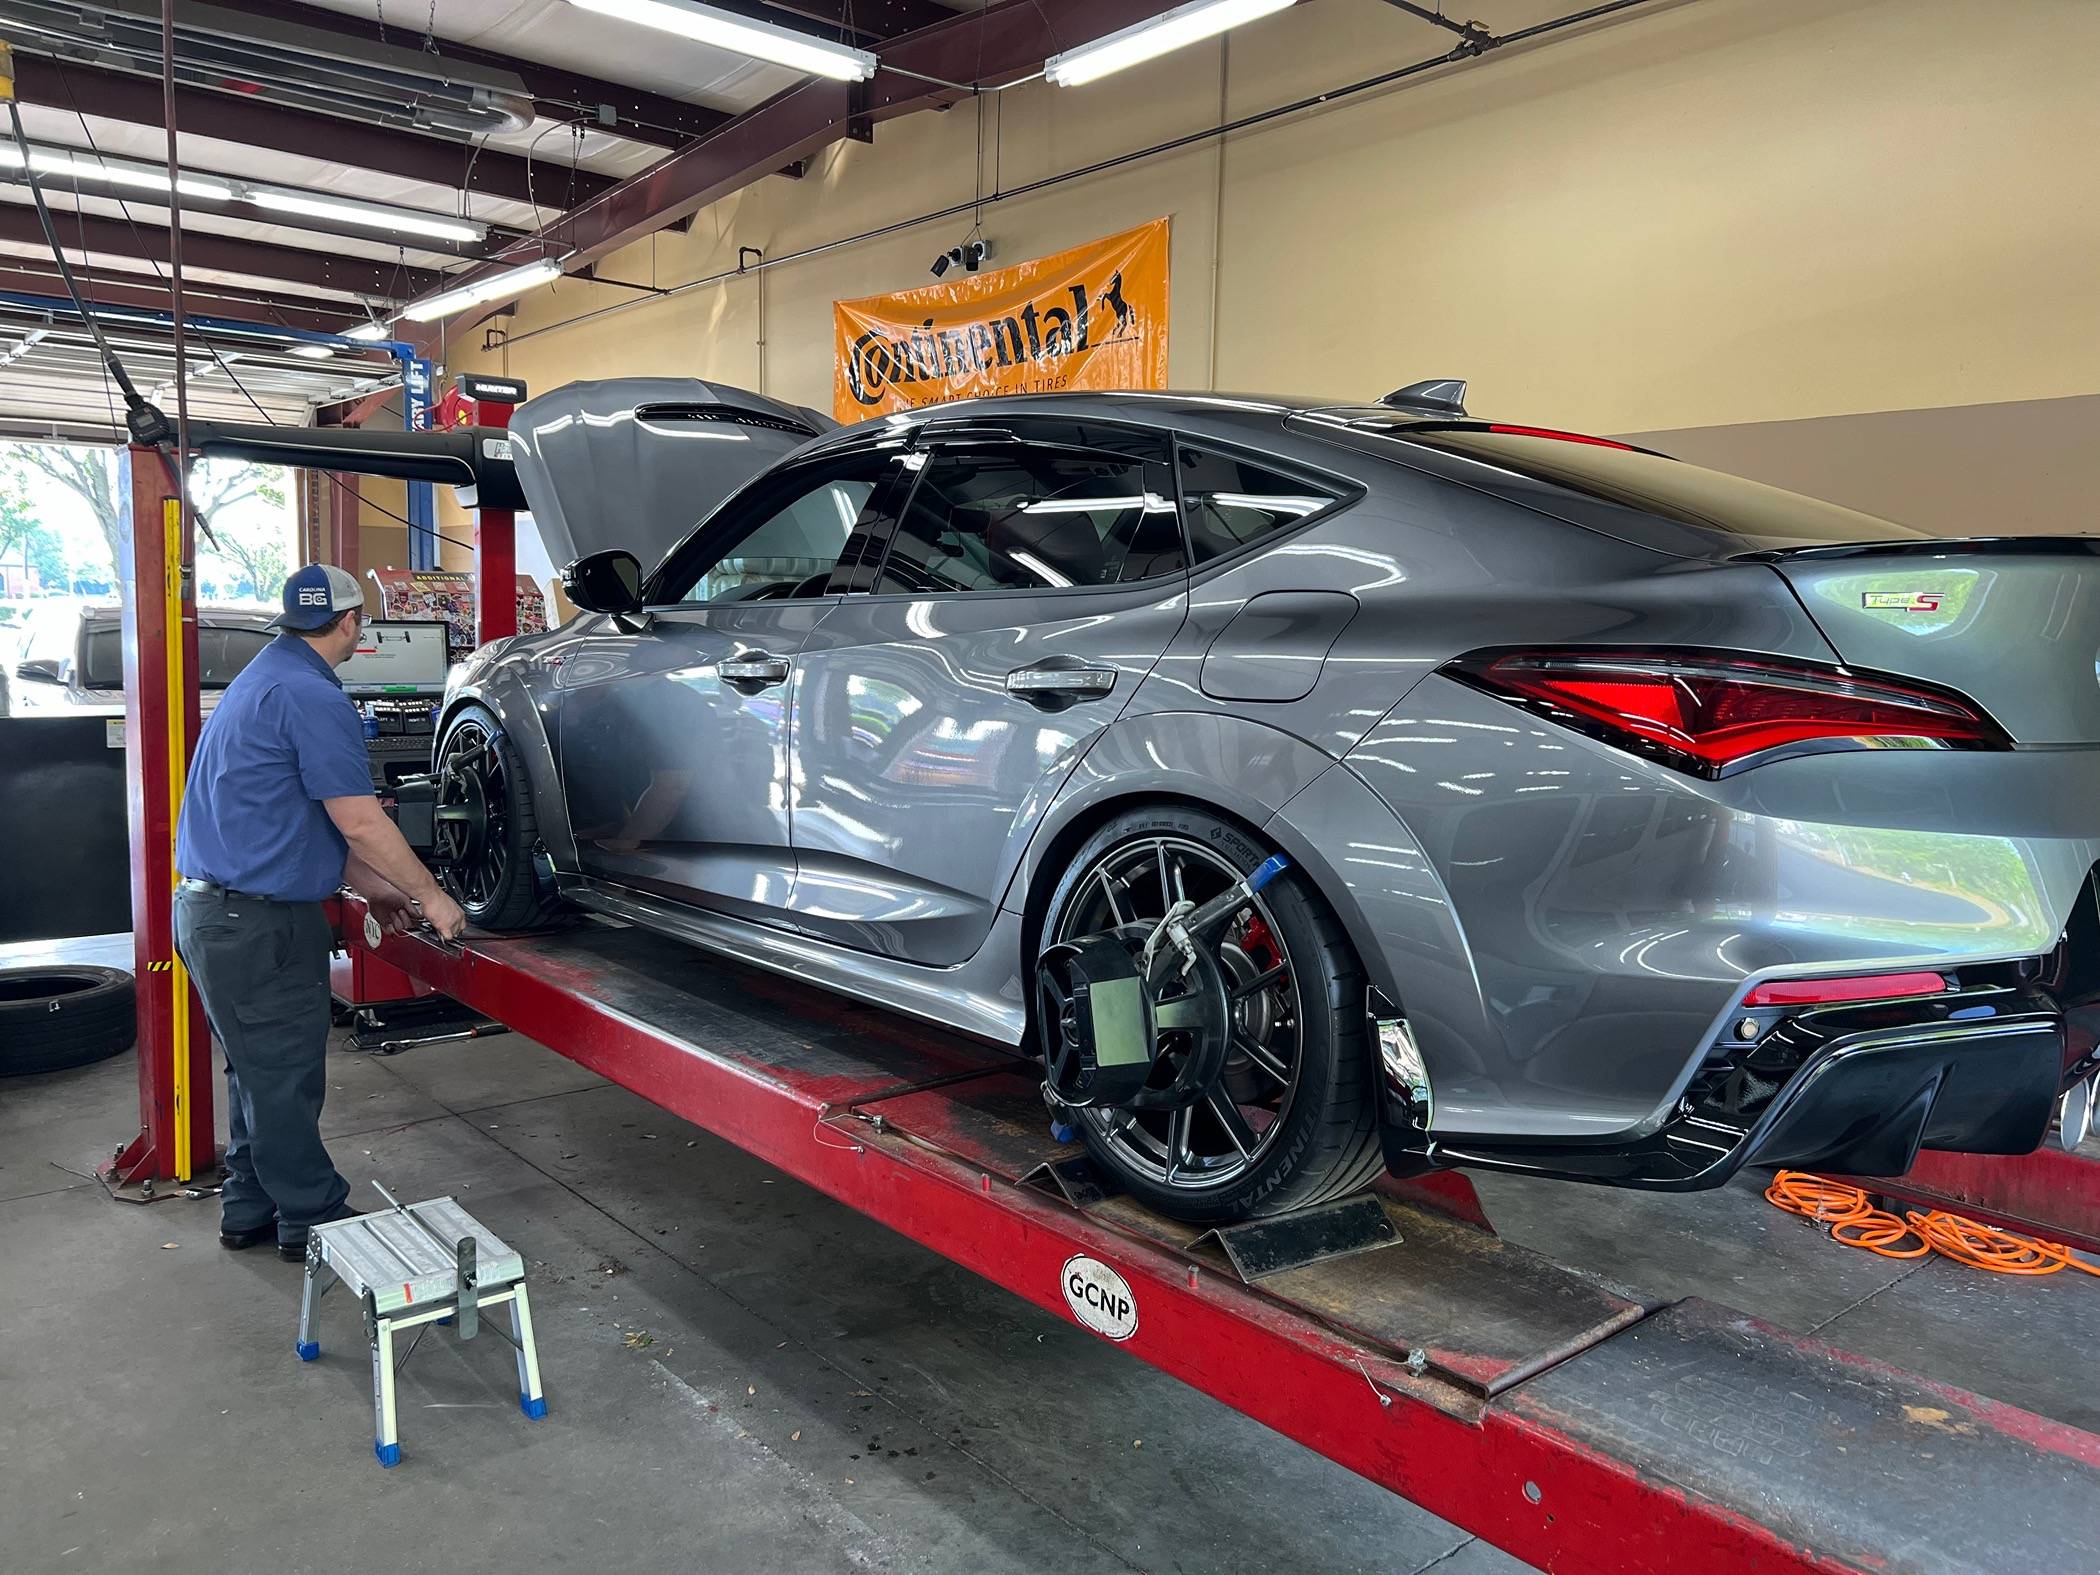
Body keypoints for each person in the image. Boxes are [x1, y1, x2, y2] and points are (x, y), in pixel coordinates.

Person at [174, 563, 467, 1262]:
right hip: (258, 924)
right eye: (359, 621)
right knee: (283, 1073)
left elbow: (297, 824)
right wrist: (430, 894)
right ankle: (312, 1213)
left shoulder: (262, 680)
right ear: (349, 624)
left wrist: (377, 888)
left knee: (256, 1069)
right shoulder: (313, 696)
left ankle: (250, 1205)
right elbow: (360, 821)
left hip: (217, 914)